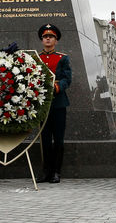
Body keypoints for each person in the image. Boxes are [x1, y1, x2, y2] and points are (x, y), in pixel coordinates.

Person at [37, 24, 71, 184]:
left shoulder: (63, 58)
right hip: (42, 104)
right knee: (44, 139)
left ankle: (56, 172)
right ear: (42, 40)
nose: (48, 39)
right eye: (45, 37)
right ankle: (46, 171)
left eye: (51, 37)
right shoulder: (36, 58)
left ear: (56, 40)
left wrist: (57, 86)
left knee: (58, 139)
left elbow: (67, 78)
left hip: (58, 103)